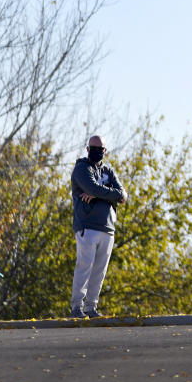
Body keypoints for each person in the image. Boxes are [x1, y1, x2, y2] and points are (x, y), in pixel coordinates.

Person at [69, 135, 127, 319]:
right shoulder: (81, 168)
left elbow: (124, 195)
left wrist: (99, 194)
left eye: (100, 148)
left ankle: (91, 307)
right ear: (87, 149)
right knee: (84, 266)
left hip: (108, 227)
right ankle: (77, 307)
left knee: (100, 270)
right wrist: (109, 194)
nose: (97, 151)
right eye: (93, 147)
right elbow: (92, 188)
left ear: (105, 150)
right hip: (87, 225)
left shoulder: (109, 171)